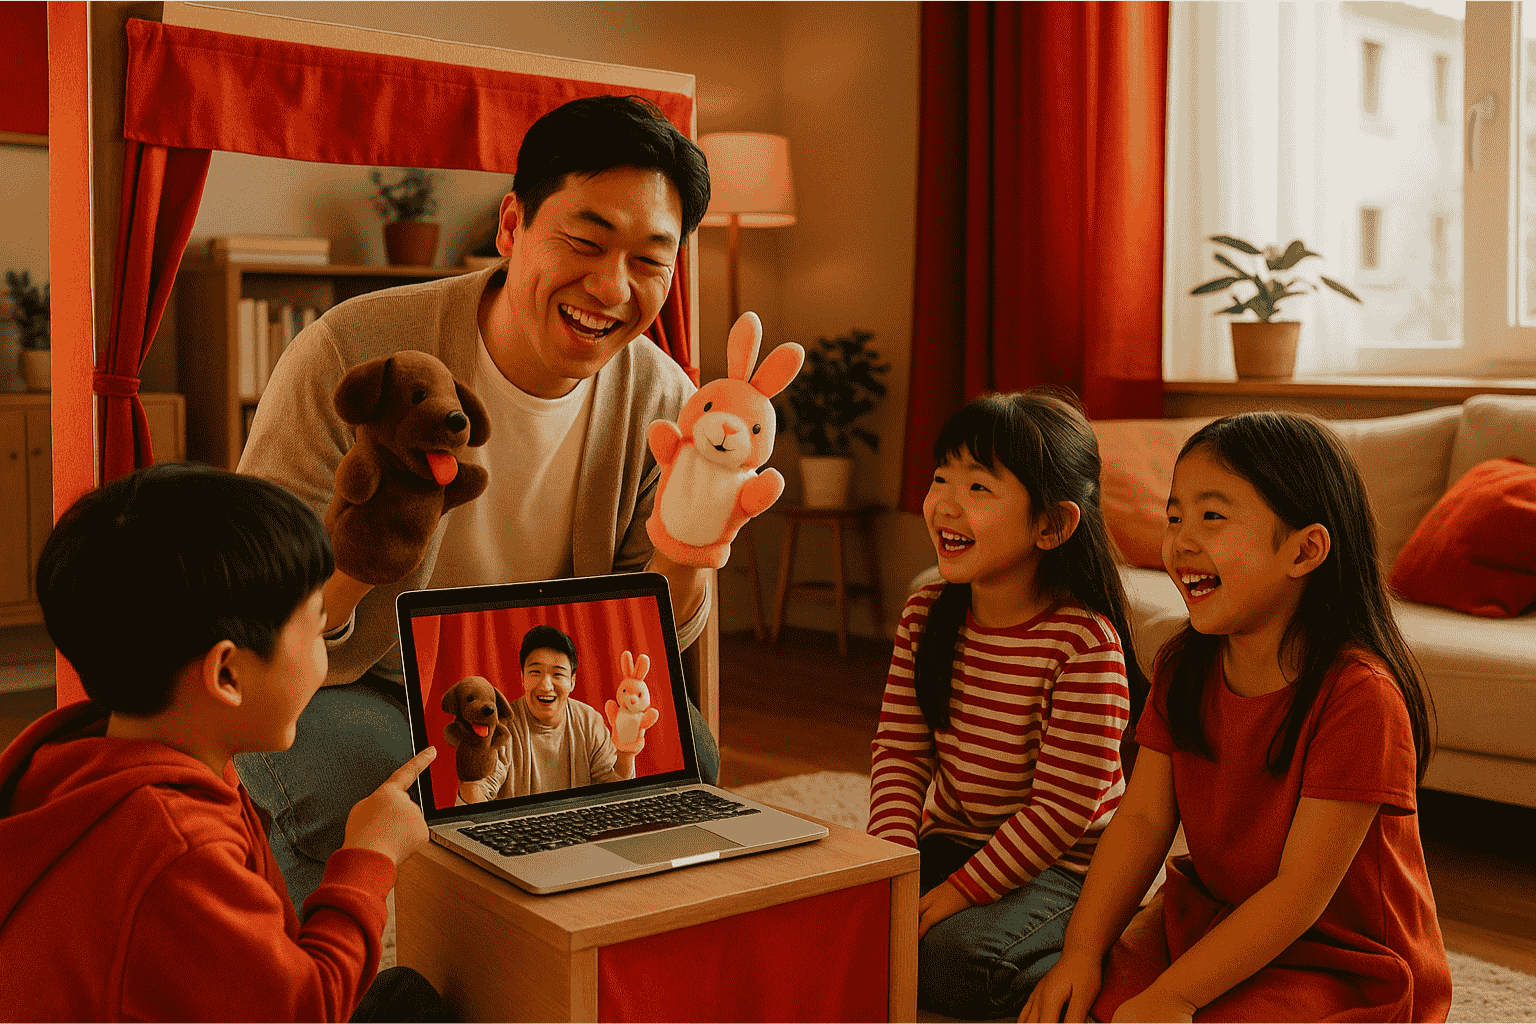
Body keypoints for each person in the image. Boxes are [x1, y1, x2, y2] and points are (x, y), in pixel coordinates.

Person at [236, 94, 723, 909]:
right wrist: (362, 560)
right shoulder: (356, 354)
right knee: (373, 786)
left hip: (530, 681)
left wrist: (685, 555)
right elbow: (250, 611)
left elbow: (655, 635)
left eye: (649, 261)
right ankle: (343, 974)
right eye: (586, 241)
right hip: (349, 679)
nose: (611, 287)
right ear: (510, 225)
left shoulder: (665, 400)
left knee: (687, 761)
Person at [1022, 411, 1451, 1024]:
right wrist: (1081, 955)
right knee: (1099, 999)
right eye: (1175, 517)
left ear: (1305, 550)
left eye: (1212, 517)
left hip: (1341, 957)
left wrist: (1175, 996)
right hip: (1216, 916)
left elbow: (1298, 896)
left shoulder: (1361, 696)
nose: (1181, 541)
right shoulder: (1183, 666)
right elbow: (1141, 822)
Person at [0, 463, 452, 1023]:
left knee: (403, 994)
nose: (324, 657)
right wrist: (368, 857)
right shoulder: (178, 849)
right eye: (316, 629)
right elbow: (303, 1011)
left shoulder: (70, 755)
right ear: (227, 675)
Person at [867, 390, 1147, 1020]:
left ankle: (1099, 980)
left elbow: (1062, 810)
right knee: (838, 921)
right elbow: (900, 752)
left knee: (942, 960)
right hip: (957, 843)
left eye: (980, 488)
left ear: (1052, 525)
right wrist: (888, 864)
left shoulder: (1083, 643)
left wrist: (961, 893)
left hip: (1066, 874)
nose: (946, 503)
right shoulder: (925, 612)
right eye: (942, 478)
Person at [457, 625, 637, 803]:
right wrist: (471, 772)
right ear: (522, 677)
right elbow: (480, 791)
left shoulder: (590, 721)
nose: (546, 686)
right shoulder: (503, 727)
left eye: (558, 674)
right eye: (535, 672)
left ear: (572, 681)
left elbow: (615, 794)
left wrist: (626, 755)